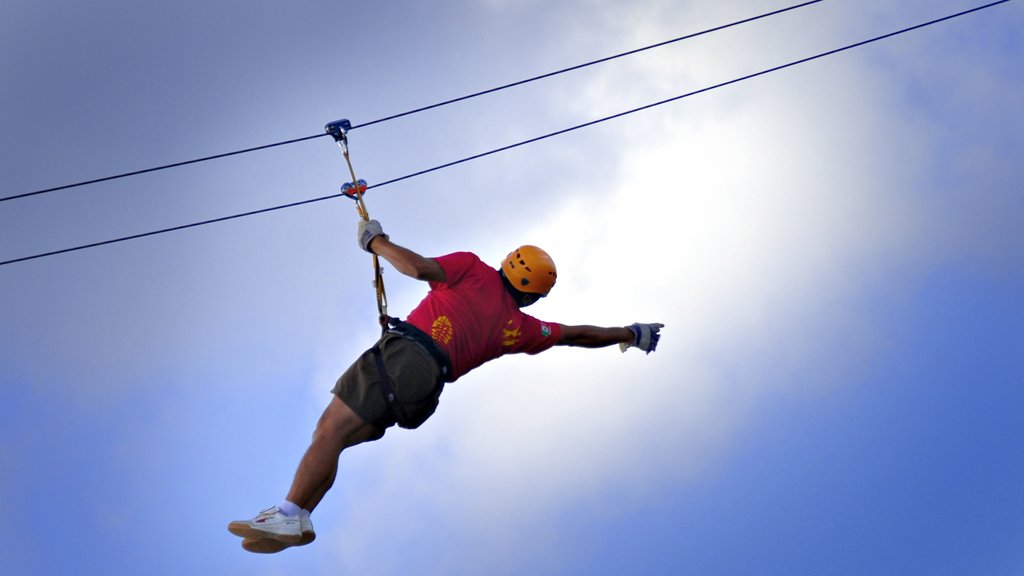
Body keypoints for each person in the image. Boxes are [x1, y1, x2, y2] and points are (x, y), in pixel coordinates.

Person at [228, 220, 663, 553]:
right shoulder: (523, 327)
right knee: (335, 440)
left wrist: (374, 241)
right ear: (534, 295)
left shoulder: (473, 269)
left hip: (404, 358)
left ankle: (288, 514)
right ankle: (300, 514)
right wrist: (629, 333)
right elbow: (576, 333)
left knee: (328, 430)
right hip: (424, 390)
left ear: (507, 263)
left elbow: (417, 268)